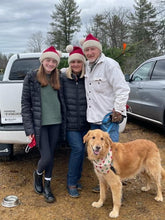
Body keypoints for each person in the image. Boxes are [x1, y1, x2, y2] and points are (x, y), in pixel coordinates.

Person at [80, 33, 130, 192]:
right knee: (98, 155)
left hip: (108, 119)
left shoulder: (110, 65)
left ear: (99, 49)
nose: (89, 53)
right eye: (86, 50)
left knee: (112, 154)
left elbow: (122, 89)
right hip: (94, 120)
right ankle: (104, 182)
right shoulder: (87, 65)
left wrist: (118, 110)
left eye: (92, 49)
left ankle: (116, 185)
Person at [21, 46, 62, 203]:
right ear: (42, 60)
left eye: (54, 61)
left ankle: (47, 186)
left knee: (51, 156)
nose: (50, 63)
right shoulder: (31, 77)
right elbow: (25, 104)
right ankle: (38, 174)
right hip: (41, 125)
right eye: (48, 60)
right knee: (46, 156)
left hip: (56, 123)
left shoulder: (59, 77)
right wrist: (29, 128)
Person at [60, 45, 89, 198]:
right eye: (73, 62)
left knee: (83, 151)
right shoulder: (63, 78)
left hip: (86, 123)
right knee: (77, 149)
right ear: (69, 64)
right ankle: (71, 183)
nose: (76, 64)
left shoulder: (88, 79)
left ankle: (76, 180)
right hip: (71, 124)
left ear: (83, 63)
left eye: (79, 62)